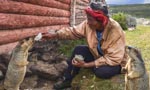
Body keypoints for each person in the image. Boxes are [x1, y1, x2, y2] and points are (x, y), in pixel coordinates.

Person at [42, 1, 127, 90]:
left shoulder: (115, 30)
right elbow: (73, 32)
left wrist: (86, 65)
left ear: (101, 21)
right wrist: (56, 34)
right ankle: (67, 80)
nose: (88, 22)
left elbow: (113, 58)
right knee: (78, 50)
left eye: (90, 20)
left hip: (115, 61)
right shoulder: (88, 24)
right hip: (97, 55)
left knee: (101, 72)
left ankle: (100, 67)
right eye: (87, 19)